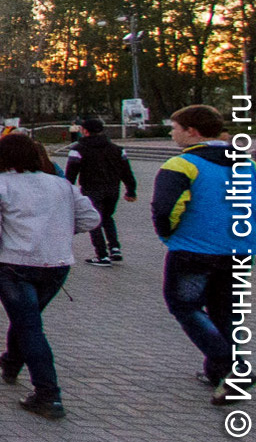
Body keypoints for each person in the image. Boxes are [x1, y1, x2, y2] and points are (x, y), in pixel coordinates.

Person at [0, 131, 101, 420]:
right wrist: (61, 231)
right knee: (28, 318)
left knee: (29, 325)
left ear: (0, 157)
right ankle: (11, 361)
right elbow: (92, 218)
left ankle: (48, 393)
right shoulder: (61, 185)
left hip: (13, 265)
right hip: (56, 264)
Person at [154, 104, 253, 405]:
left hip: (194, 250)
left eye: (175, 128)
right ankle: (220, 372)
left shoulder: (181, 165)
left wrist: (168, 235)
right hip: (239, 250)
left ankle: (231, 367)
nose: (172, 134)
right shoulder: (247, 164)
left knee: (185, 306)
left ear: (192, 132)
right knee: (225, 311)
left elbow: (165, 210)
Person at [65, 117, 136, 265]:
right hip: (113, 189)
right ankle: (115, 248)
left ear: (84, 131)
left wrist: (66, 192)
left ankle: (102, 255)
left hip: (91, 189)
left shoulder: (78, 150)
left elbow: (71, 174)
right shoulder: (117, 149)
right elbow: (126, 172)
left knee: (94, 221)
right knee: (107, 217)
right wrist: (131, 190)